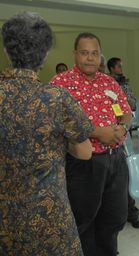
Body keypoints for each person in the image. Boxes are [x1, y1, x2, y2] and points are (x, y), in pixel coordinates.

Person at [0, 12, 93, 255]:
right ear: (46, 53)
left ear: (7, 50)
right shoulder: (55, 98)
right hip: (48, 216)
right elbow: (84, 152)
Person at [50, 32, 132, 256]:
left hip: (116, 159)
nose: (90, 58)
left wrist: (122, 127)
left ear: (100, 56)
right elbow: (57, 122)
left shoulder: (109, 82)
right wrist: (98, 132)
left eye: (94, 53)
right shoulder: (60, 84)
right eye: (84, 53)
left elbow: (126, 112)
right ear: (75, 54)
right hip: (84, 163)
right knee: (83, 219)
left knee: (115, 216)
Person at [107, 56, 139, 228]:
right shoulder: (107, 84)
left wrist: (129, 103)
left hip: (123, 127)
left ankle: (131, 212)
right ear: (112, 68)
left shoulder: (124, 82)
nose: (121, 68)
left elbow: (132, 102)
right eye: (119, 66)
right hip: (110, 130)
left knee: (123, 175)